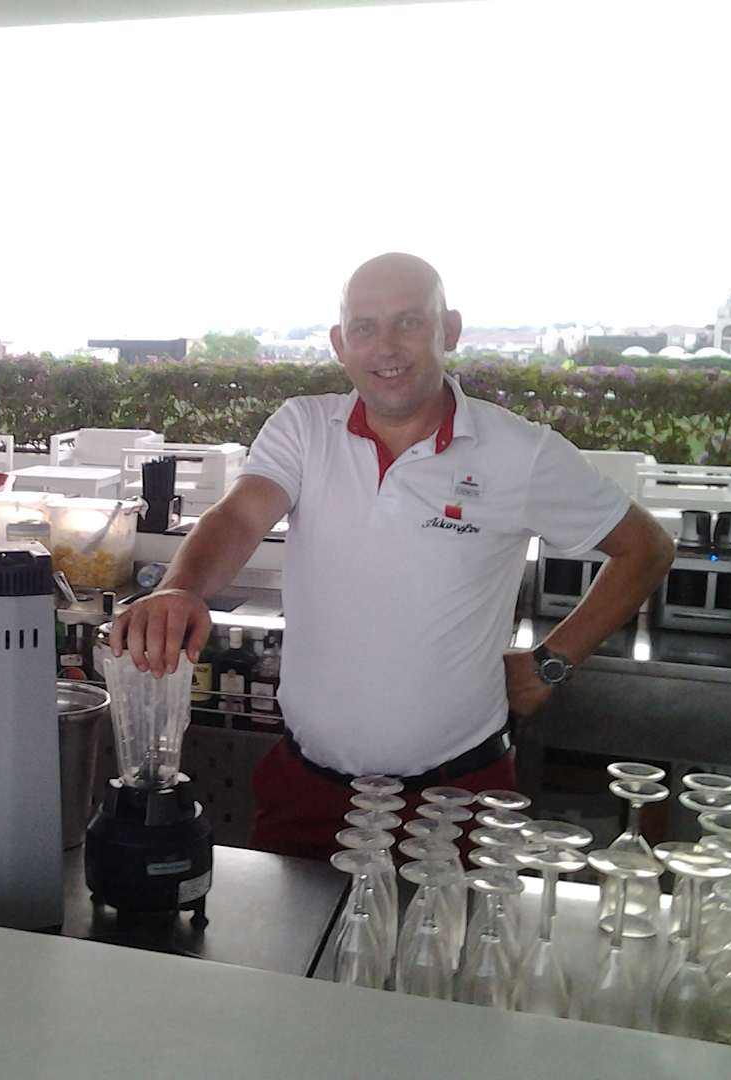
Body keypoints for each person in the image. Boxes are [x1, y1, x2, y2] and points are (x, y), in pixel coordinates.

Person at [113, 253, 674, 859]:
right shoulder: (304, 427)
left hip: (453, 802)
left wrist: (551, 664)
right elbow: (240, 517)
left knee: (449, 927)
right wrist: (181, 587)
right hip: (307, 788)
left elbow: (645, 548)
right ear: (340, 344)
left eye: (409, 322)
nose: (386, 348)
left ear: (449, 330)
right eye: (365, 327)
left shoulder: (520, 452)